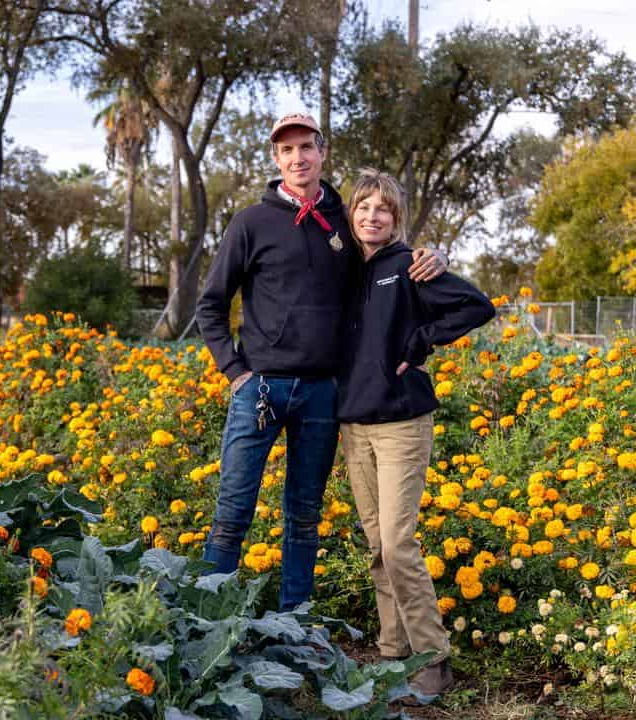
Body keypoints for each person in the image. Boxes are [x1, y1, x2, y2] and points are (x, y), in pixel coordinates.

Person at [195, 113, 446, 611]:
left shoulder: (344, 223)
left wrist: (434, 253)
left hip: (322, 394)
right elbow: (210, 305)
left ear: (322, 152)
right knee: (233, 509)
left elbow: (387, 251)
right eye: (287, 150)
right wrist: (236, 373)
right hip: (260, 390)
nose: (298, 158)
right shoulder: (251, 222)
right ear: (276, 158)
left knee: (304, 515)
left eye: (306, 147)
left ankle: (295, 623)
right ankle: (208, 622)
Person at [337, 169, 495, 698]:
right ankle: (391, 652)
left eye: (382, 208)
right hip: (354, 425)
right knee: (377, 546)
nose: (372, 216)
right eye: (363, 206)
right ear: (351, 212)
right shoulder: (342, 268)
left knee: (398, 543)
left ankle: (432, 657)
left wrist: (419, 343)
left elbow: (477, 306)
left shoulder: (409, 266)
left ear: (395, 217)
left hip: (402, 423)